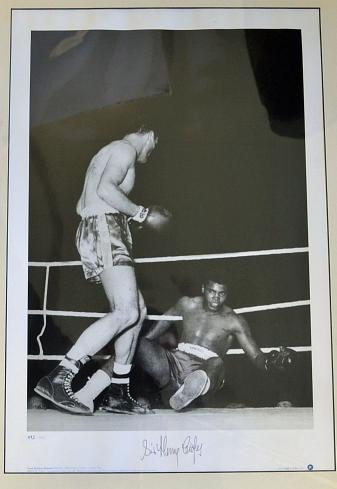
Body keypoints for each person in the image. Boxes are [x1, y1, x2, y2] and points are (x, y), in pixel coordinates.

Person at [34, 129, 172, 415]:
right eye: (156, 145)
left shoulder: (108, 151)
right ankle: (59, 377)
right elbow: (106, 190)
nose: (152, 153)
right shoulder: (125, 149)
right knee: (126, 312)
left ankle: (115, 391)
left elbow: (81, 204)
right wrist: (142, 213)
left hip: (102, 229)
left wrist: (118, 218)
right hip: (105, 230)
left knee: (138, 312)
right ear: (150, 134)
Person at [120, 277, 295, 411]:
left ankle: (193, 389)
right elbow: (152, 335)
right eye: (212, 292)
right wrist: (142, 351)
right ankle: (111, 384)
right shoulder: (186, 304)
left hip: (207, 366)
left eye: (221, 294)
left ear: (227, 294)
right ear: (204, 289)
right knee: (138, 343)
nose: (216, 299)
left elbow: (256, 355)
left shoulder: (234, 321)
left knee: (217, 363)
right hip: (175, 361)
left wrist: (269, 362)